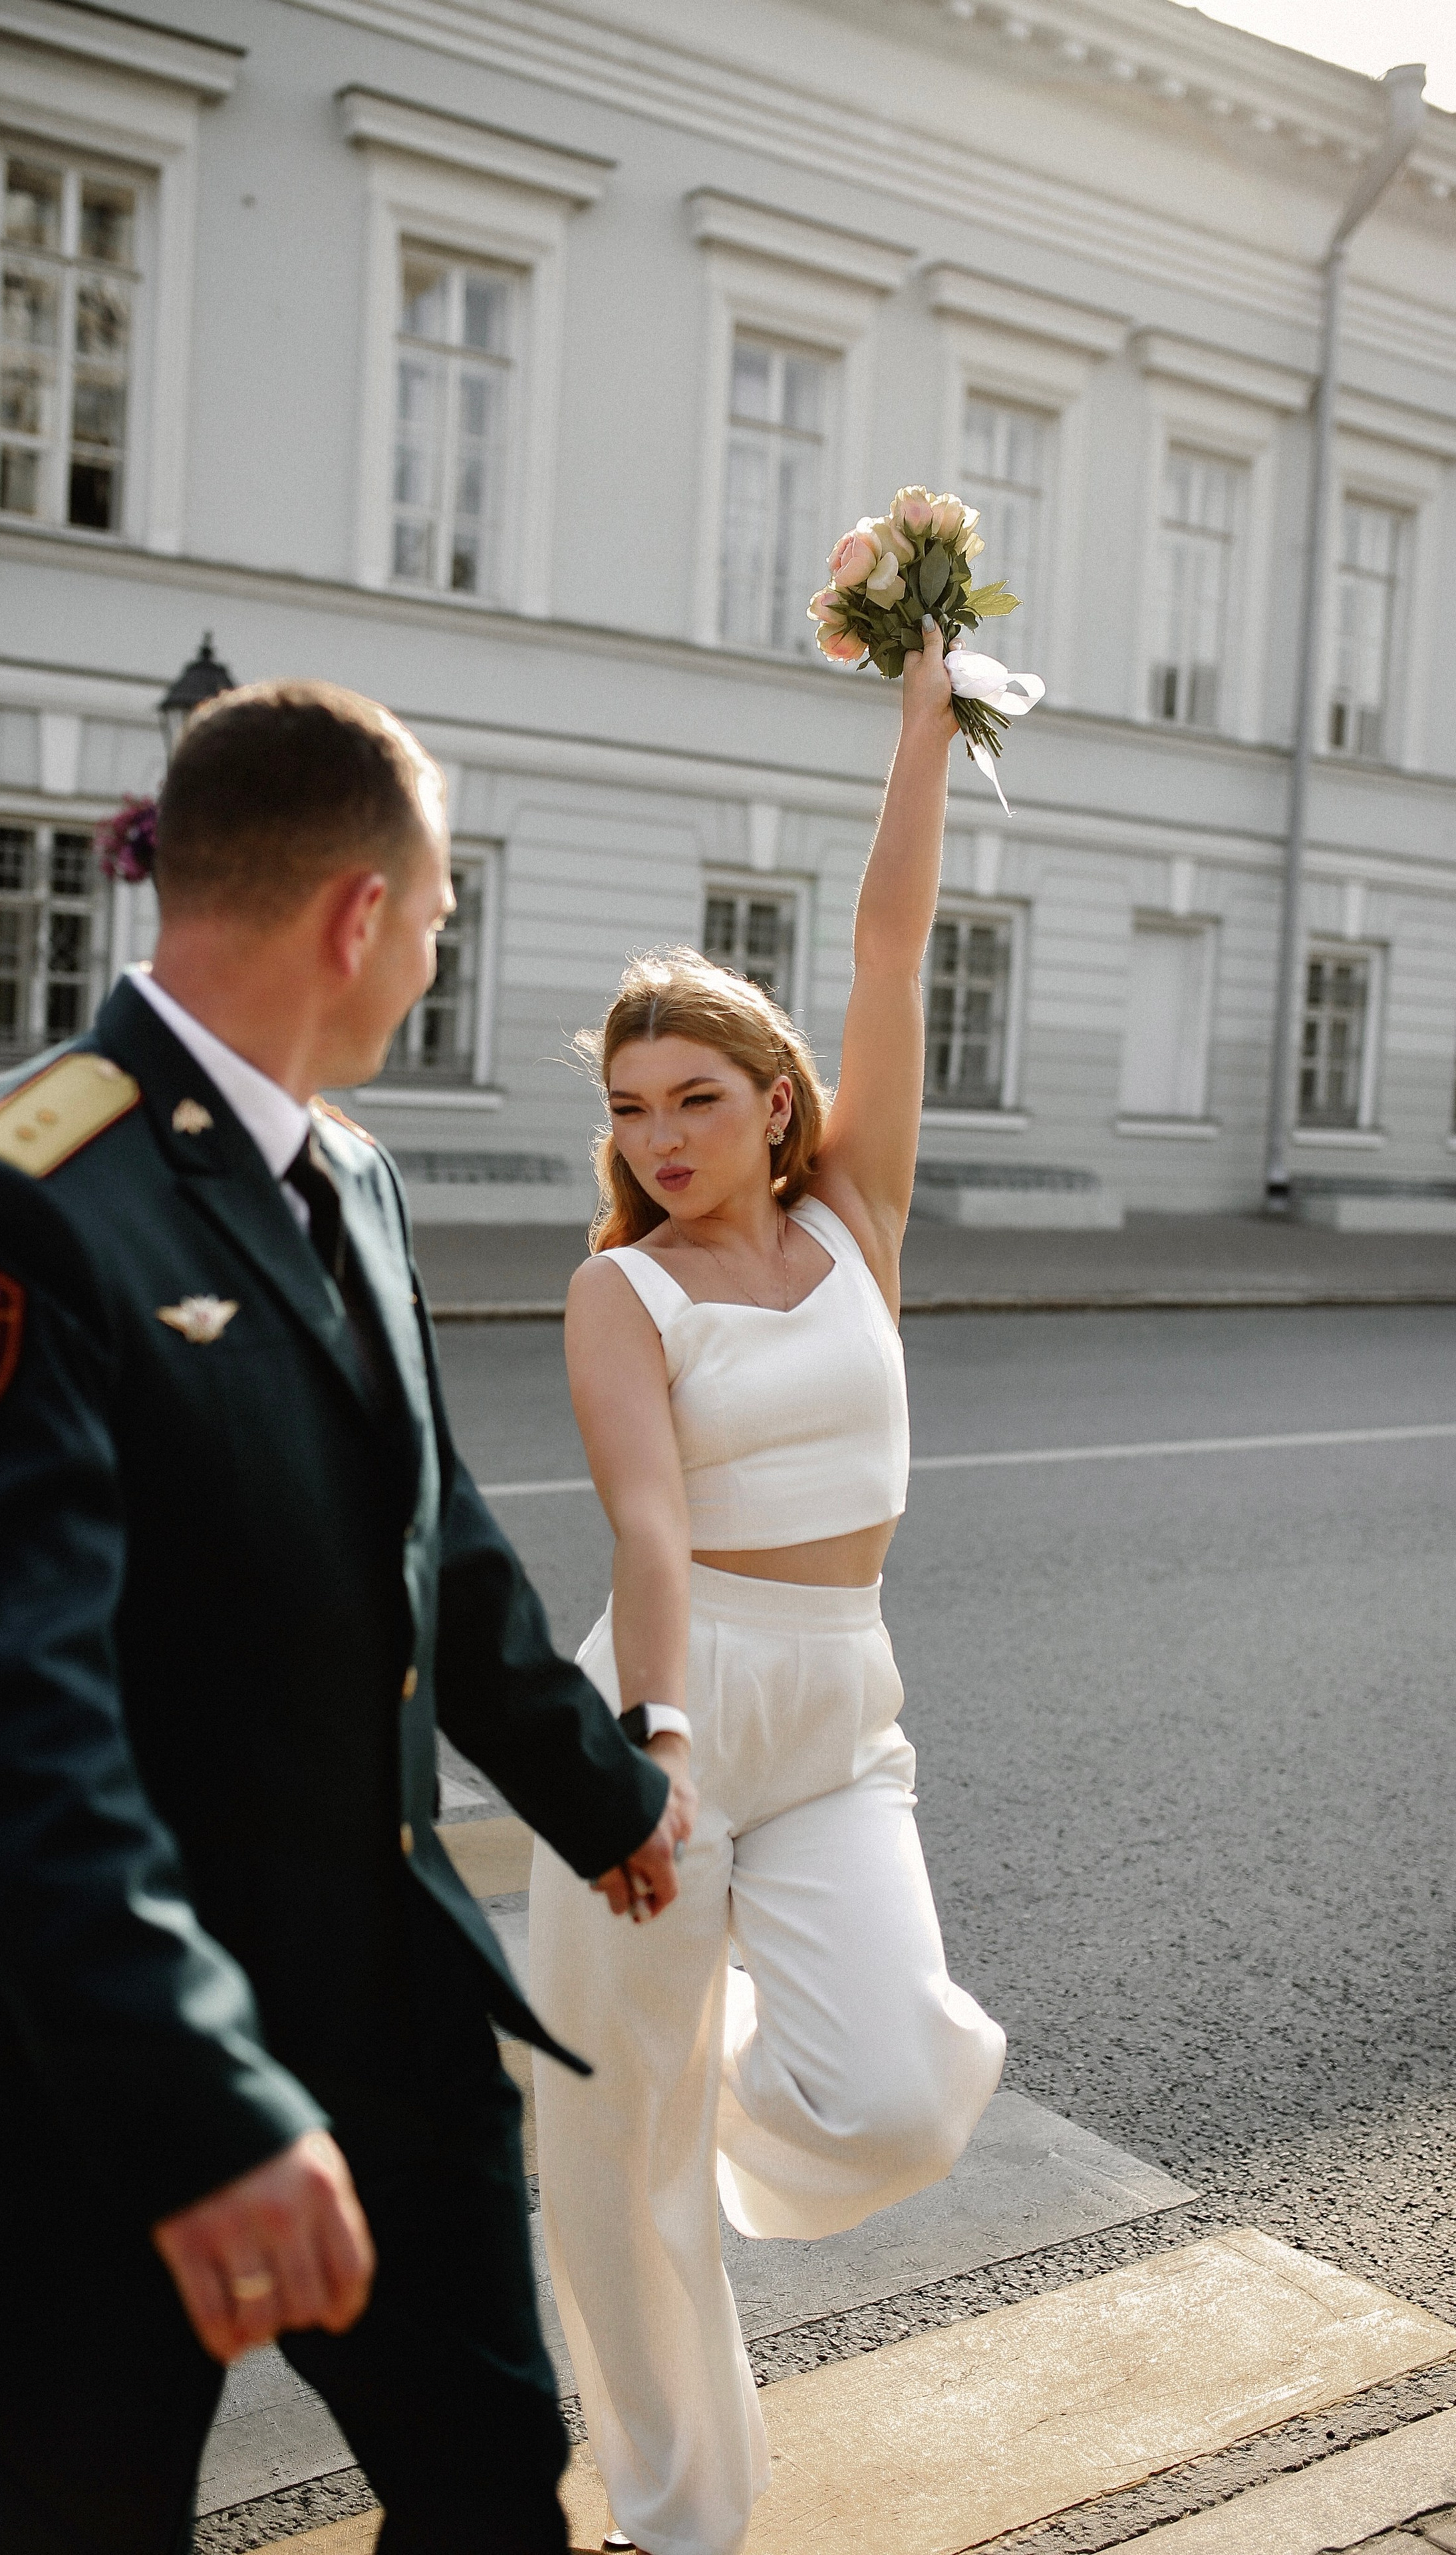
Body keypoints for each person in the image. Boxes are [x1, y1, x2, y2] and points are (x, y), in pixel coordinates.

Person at [0, 680, 692, 2555]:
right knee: (86, 2518)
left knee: (490, 2480)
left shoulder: (352, 1171)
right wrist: (203, 2095)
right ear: (357, 918)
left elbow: (430, 1533)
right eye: (442, 917)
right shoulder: (20, 1200)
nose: (435, 958)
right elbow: (5, 1714)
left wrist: (601, 1794)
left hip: (381, 2004)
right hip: (106, 2069)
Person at [529, 617, 1007, 2555]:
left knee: (897, 2095)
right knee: (609, 2164)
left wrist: (923, 719)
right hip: (671, 1701)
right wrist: (648, 1749)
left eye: (694, 1101)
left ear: (777, 1103)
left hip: (840, 1701)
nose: (657, 1139)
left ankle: (716, 2075)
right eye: (633, 1108)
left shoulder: (853, 1221)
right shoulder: (617, 1288)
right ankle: (678, 2518)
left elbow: (892, 946)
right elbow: (649, 1524)